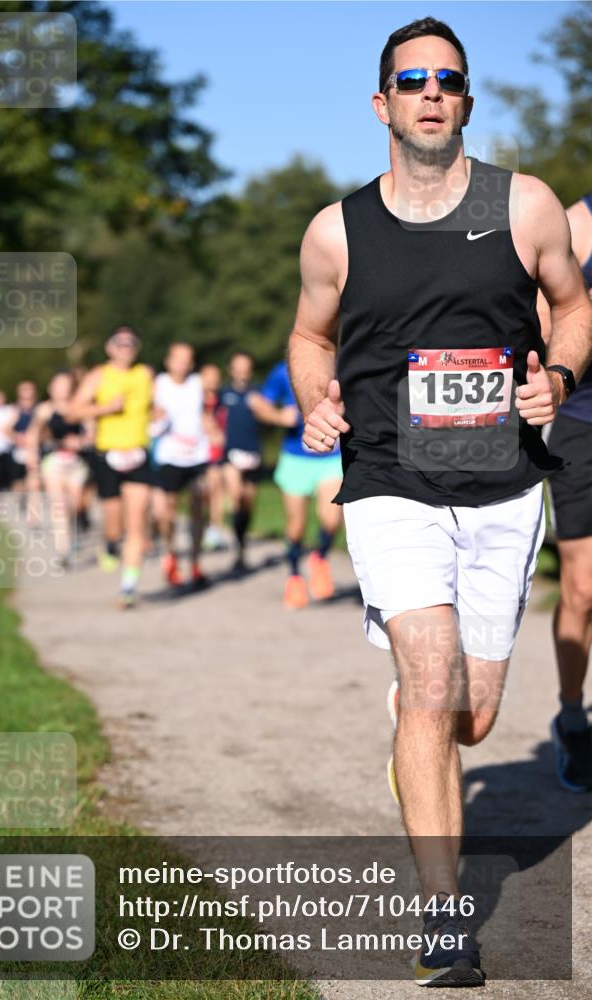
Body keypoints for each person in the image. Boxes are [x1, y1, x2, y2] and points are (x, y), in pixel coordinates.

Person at [286, 17, 592, 986]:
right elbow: (308, 335)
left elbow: (574, 304)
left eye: (447, 80)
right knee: (428, 681)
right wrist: (313, 403)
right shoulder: (337, 229)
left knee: (474, 714)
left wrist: (561, 371)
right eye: (411, 79)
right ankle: (442, 913)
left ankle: (428, 731)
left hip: (503, 485)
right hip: (389, 481)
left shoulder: (527, 206)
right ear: (382, 103)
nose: (430, 92)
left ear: (465, 101)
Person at [538, 193, 592, 792]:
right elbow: (543, 320)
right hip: (582, 426)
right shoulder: (578, 223)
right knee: (581, 587)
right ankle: (573, 716)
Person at [69, 327, 153, 608]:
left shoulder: (145, 375)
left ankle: (128, 587)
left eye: (131, 344)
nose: (126, 348)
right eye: (121, 343)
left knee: (137, 522)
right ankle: (110, 542)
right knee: (114, 523)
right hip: (108, 455)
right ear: (110, 349)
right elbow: (73, 410)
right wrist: (105, 409)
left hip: (138, 454)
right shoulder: (98, 375)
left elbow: (155, 405)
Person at [251, 360, 343, 608]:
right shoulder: (283, 371)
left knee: (332, 520)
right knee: (296, 526)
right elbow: (260, 404)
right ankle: (294, 577)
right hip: (295, 459)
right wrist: (278, 416)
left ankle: (319, 557)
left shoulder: (341, 365)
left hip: (331, 458)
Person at [151, 342, 210, 588]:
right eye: (178, 358)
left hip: (197, 455)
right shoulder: (159, 384)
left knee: (198, 507)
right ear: (168, 361)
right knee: (168, 511)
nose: (182, 363)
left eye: (187, 359)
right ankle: (170, 552)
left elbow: (206, 413)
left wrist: (214, 430)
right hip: (170, 455)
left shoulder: (198, 384)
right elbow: (147, 413)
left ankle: (195, 563)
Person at [27, 371, 92, 568]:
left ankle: (75, 530)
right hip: (53, 461)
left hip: (77, 463)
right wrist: (32, 457)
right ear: (51, 388)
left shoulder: (81, 408)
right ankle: (63, 550)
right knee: (59, 505)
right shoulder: (45, 410)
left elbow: (92, 435)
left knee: (75, 505)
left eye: (65, 385)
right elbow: (33, 434)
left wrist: (80, 442)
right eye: (58, 385)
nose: (62, 390)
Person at [218, 351, 263, 572]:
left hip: (253, 453)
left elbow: (269, 417)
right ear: (231, 369)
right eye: (238, 366)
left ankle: (242, 543)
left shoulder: (259, 393)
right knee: (235, 496)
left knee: (248, 502)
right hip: (231, 454)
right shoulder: (223, 394)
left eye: (246, 366)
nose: (242, 370)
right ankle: (236, 545)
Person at [200, 363, 228, 552]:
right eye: (207, 377)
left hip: (217, 454)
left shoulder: (223, 401)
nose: (212, 382)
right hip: (196, 455)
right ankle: (202, 526)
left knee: (217, 490)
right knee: (202, 494)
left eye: (215, 377)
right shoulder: (193, 400)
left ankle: (215, 529)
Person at [7, 381, 38, 495]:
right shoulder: (15, 409)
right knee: (18, 480)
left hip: (35, 448)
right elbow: (6, 429)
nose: (27, 392)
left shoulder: (39, 408)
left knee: (34, 477)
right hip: (19, 449)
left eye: (29, 389)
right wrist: (18, 438)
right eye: (24, 389)